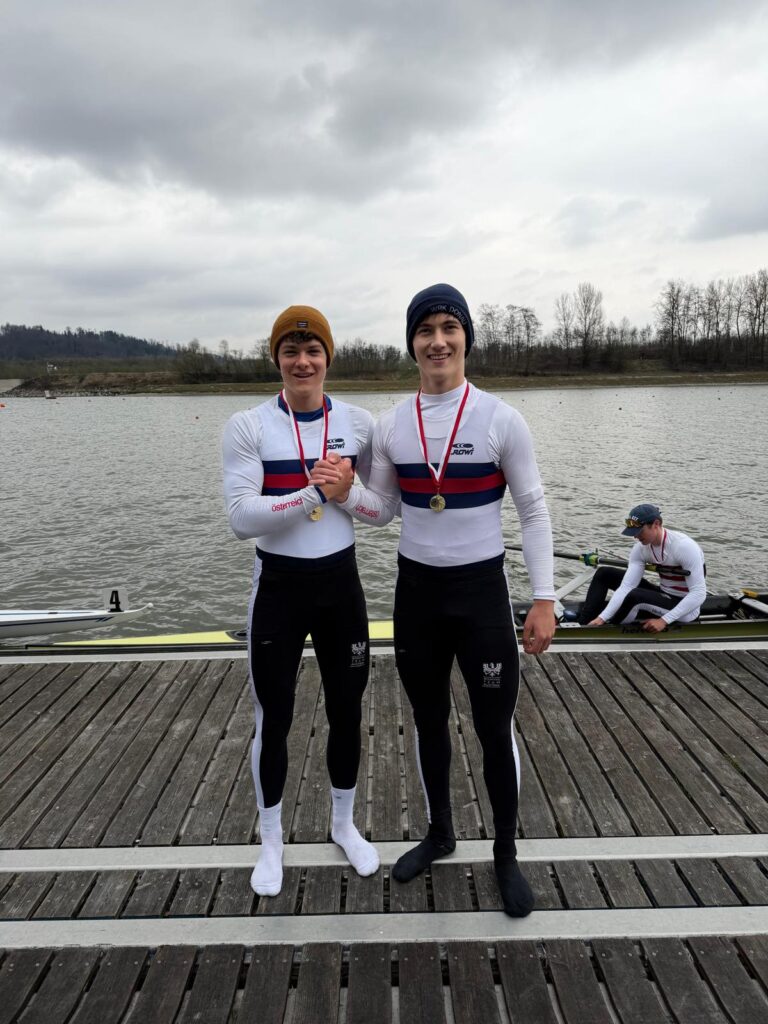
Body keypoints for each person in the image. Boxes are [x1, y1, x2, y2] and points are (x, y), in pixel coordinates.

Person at [311, 283, 556, 917]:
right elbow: (384, 509)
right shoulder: (393, 425)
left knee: (494, 727)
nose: (438, 341)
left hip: (482, 598)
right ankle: (441, 833)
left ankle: (505, 852)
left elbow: (533, 512)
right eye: (425, 330)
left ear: (466, 338)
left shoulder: (501, 419)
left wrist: (544, 599)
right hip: (417, 596)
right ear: (412, 344)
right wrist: (343, 494)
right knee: (428, 721)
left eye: (450, 328)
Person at [222, 305, 380, 897]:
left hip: (341, 588)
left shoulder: (359, 424)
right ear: (277, 360)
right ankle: (272, 841)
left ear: (328, 358)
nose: (302, 361)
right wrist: (313, 492)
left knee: (347, 711)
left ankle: (344, 825)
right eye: (290, 351)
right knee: (275, 718)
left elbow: (382, 511)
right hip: (279, 589)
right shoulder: (248, 425)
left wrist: (347, 493)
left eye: (313, 351)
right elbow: (242, 518)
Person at [577, 503, 707, 631]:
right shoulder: (640, 548)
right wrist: (602, 617)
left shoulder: (684, 547)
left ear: (656, 524)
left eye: (639, 531)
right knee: (604, 574)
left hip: (686, 609)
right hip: (664, 594)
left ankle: (606, 631)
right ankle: (585, 623)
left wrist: (663, 621)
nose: (635, 536)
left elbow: (699, 594)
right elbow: (627, 586)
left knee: (636, 596)